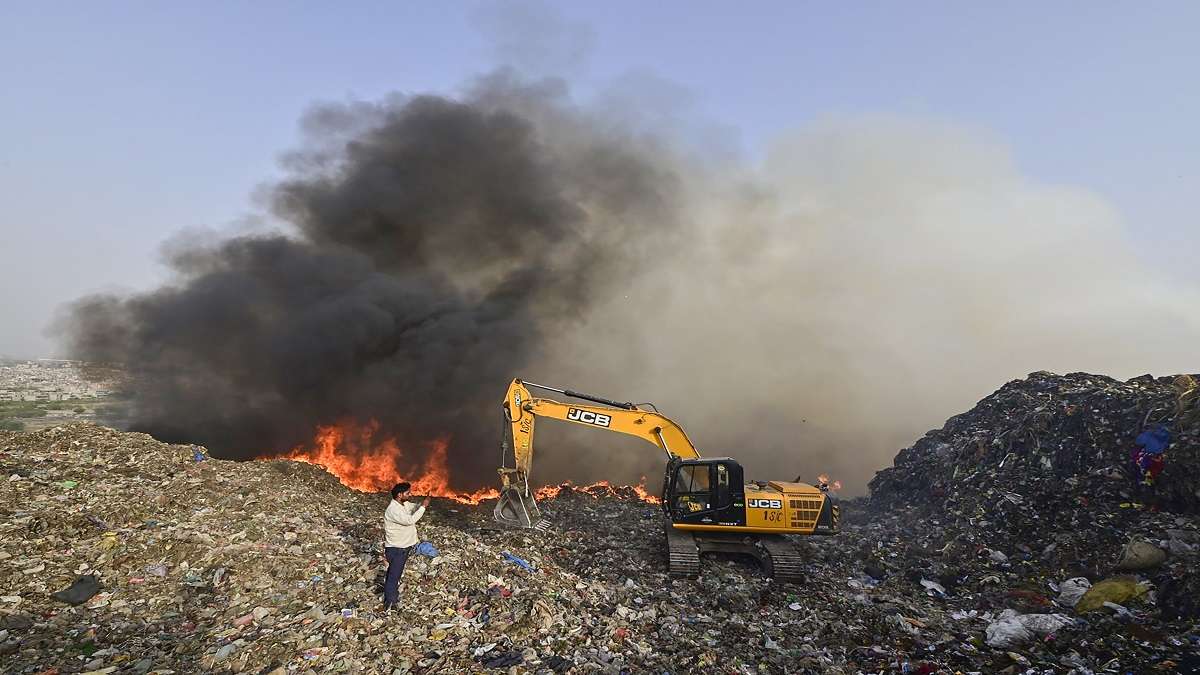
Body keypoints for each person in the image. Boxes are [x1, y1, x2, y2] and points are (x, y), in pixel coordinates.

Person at [382, 481, 430, 610]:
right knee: (394, 576)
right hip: (396, 549)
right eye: (407, 493)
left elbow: (412, 507)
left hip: (402, 548)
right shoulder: (393, 509)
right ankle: (391, 603)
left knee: (394, 574)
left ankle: (391, 597)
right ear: (399, 495)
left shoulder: (403, 504)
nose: (410, 494)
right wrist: (423, 507)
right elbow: (409, 520)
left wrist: (421, 504)